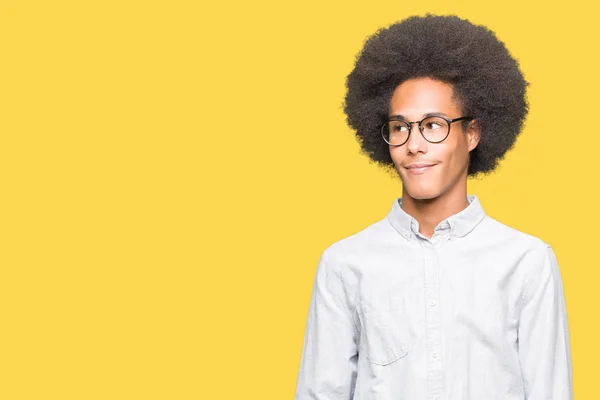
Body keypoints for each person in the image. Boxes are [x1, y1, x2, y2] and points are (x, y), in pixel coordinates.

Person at [294, 14, 573, 400]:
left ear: (471, 132)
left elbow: (551, 392)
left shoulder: (526, 262)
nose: (414, 145)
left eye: (433, 125)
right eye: (400, 127)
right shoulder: (345, 264)